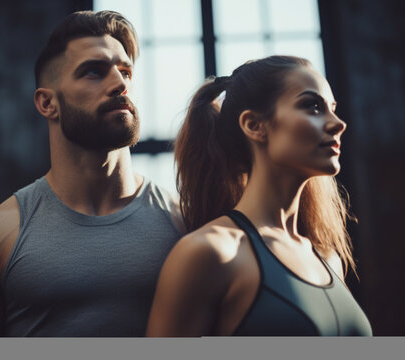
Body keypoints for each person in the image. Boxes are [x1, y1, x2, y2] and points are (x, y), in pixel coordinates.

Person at [0, 10, 184, 337]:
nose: (120, 83)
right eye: (94, 72)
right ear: (47, 103)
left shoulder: (185, 222)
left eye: (125, 71)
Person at [146, 56, 372, 336]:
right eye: (313, 106)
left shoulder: (328, 258)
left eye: (333, 109)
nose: (338, 124)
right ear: (254, 125)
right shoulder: (210, 253)